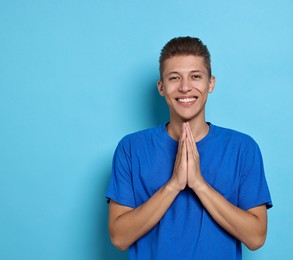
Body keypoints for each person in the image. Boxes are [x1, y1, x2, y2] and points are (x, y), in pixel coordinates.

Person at [106, 36, 272, 260]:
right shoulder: (130, 148)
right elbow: (119, 238)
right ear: (161, 87)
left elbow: (256, 238)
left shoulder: (243, 148)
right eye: (174, 78)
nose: (185, 87)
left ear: (210, 83)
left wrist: (198, 184)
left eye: (195, 76)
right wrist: (174, 185)